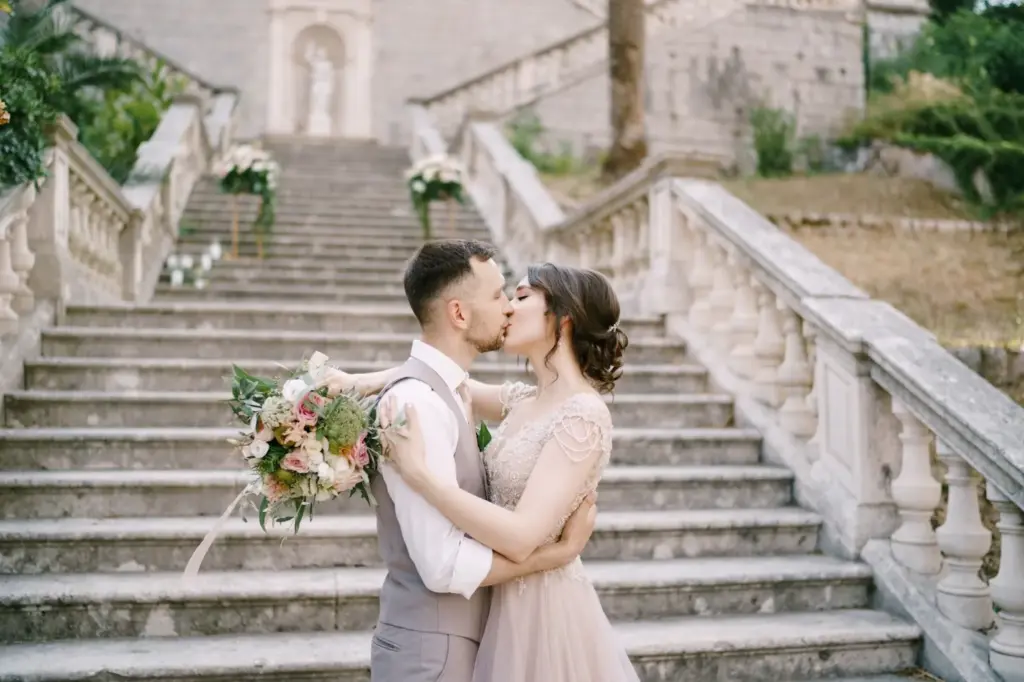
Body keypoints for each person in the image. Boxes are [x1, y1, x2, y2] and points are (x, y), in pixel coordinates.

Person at [325, 241, 638, 682]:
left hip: (541, 611)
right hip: (492, 601)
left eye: (521, 296)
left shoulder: (583, 415)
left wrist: (423, 478)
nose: (508, 307)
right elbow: (444, 376)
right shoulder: (525, 400)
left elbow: (522, 537)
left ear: (563, 318)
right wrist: (361, 382)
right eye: (504, 296)